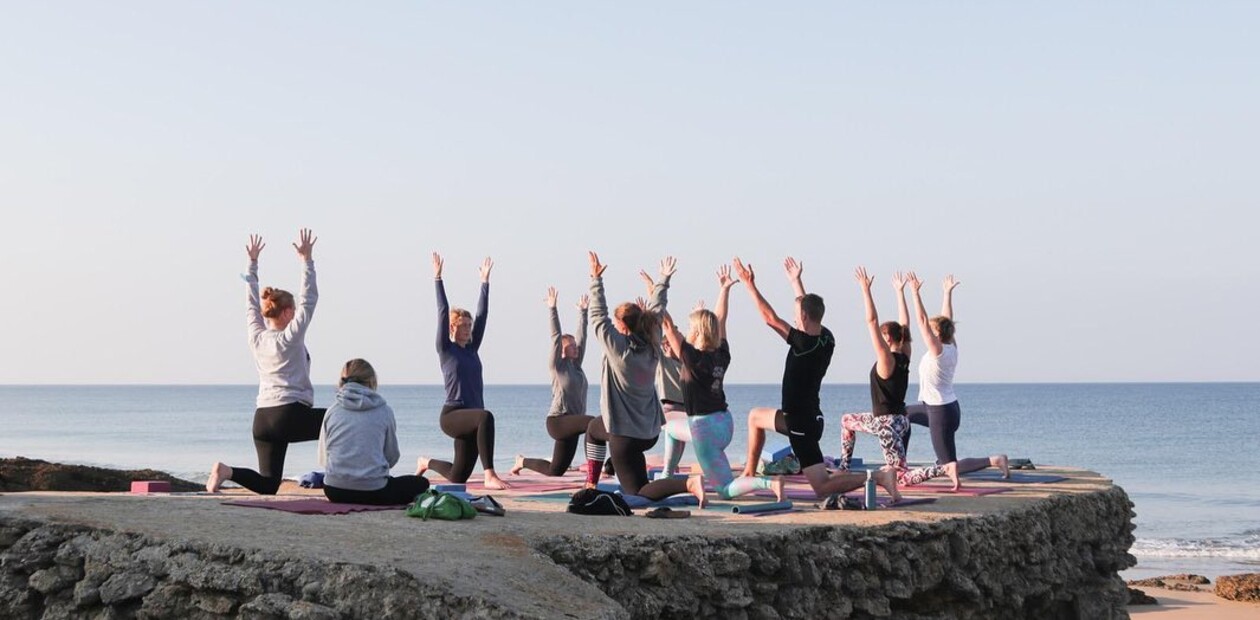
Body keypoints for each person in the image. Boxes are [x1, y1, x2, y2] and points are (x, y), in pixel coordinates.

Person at [733, 257, 900, 502]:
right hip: (809, 416)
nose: (793, 319)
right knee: (755, 417)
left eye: (796, 315)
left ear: (803, 316)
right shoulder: (827, 338)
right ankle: (748, 472)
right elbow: (808, 311)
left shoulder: (803, 344)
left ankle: (878, 477)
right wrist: (796, 281)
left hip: (800, 423)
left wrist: (749, 285)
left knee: (822, 487)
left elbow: (770, 319)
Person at [580, 252, 706, 505]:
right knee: (594, 429)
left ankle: (688, 483)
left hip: (625, 435)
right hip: (648, 432)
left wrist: (596, 279)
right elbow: (657, 309)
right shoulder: (651, 343)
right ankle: (591, 481)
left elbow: (597, 317)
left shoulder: (620, 350)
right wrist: (664, 279)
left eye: (616, 324)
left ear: (623, 327)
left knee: (637, 494)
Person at [208, 229, 325, 495]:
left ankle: (227, 472)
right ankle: (350, 475)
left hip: (262, 419)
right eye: (292, 312)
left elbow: (251, 305)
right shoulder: (289, 339)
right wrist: (307, 261)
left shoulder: (257, 337)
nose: (296, 315)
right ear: (285, 313)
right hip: (289, 415)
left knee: (270, 485)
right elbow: (309, 301)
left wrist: (252, 265)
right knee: (342, 419)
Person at [659, 265, 784, 501]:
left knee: (725, 490)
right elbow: (720, 319)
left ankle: (770, 483)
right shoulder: (722, 354)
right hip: (724, 424)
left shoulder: (691, 358)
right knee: (670, 427)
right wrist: (724, 289)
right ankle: (667, 475)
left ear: (695, 332)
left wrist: (658, 286)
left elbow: (667, 324)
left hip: (703, 429)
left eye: (689, 329)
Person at [840, 267, 959, 489]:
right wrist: (899, 292)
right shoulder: (905, 355)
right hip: (901, 420)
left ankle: (943, 468)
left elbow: (871, 321)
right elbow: (906, 326)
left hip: (887, 425)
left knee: (900, 477)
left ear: (887, 339)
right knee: (847, 420)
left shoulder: (886, 359)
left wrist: (865, 291)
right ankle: (844, 467)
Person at [417, 253, 510, 489]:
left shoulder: (472, 349)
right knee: (485, 416)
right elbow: (442, 310)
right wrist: (437, 279)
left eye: (469, 326)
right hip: (453, 415)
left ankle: (425, 462)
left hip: (470, 419)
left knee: (458, 477)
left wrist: (485, 283)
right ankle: (489, 474)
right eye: (463, 325)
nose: (468, 329)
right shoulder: (446, 349)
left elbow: (482, 316)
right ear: (452, 327)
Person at [903, 273, 1008, 477]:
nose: (928, 334)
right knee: (901, 416)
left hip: (940, 413)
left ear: (938, 335)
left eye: (933, 331)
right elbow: (946, 321)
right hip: (939, 407)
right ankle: (900, 462)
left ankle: (995, 460)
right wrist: (947, 293)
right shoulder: (951, 345)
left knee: (948, 466)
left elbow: (923, 321)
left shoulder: (939, 351)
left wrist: (915, 294)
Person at [510, 288, 596, 477]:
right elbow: (556, 337)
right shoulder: (557, 366)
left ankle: (521, 461)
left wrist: (583, 313)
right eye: (571, 346)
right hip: (558, 422)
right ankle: (594, 471)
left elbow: (583, 337)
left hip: (571, 424)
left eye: (575, 345)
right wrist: (553, 309)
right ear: (562, 350)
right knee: (593, 423)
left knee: (555, 471)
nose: (575, 348)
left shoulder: (577, 366)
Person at [319, 359, 430, 505]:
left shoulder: (332, 411)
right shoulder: (384, 411)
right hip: (373, 492)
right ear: (372, 381)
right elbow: (392, 457)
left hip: (334, 490)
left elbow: (323, 459)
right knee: (421, 483)